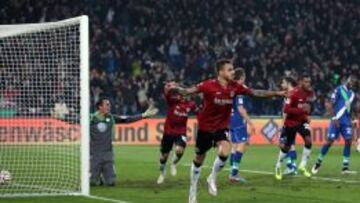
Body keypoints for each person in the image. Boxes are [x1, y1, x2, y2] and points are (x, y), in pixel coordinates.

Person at [168, 59, 285, 203]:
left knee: (225, 151)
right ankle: (193, 190)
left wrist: (277, 93)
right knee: (199, 159)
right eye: (229, 69)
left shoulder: (235, 87)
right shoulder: (207, 85)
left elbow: (255, 92)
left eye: (233, 69)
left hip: (221, 128)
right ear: (220, 72)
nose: (233, 71)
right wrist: (176, 88)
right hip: (205, 128)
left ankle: (212, 177)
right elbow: (187, 91)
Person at [90, 98, 158, 186]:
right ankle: (98, 176)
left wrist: (143, 115)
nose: (109, 106)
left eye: (109, 104)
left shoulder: (111, 117)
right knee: (92, 183)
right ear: (100, 107)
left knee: (111, 183)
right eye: (106, 104)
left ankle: (104, 175)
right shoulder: (91, 118)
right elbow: (75, 119)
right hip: (94, 153)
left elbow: (127, 119)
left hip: (108, 153)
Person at [312, 75, 357, 175]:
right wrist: (334, 118)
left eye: (354, 83)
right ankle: (318, 162)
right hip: (336, 119)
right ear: (347, 81)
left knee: (348, 141)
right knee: (329, 142)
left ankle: (345, 168)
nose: (352, 83)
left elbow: (350, 107)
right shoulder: (338, 90)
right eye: (351, 81)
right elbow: (330, 104)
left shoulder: (352, 94)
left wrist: (353, 119)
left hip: (346, 121)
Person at [157, 84, 200, 184]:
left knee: (179, 150)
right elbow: (167, 92)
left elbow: (199, 113)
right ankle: (162, 174)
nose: (185, 96)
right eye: (183, 94)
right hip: (168, 131)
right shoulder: (173, 100)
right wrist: (171, 86)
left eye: (187, 94)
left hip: (181, 131)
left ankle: (173, 163)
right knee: (164, 156)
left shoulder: (191, 104)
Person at [275, 74, 314, 180]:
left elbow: (304, 107)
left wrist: (306, 116)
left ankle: (302, 165)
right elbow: (286, 110)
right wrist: (302, 110)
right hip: (291, 123)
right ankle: (278, 166)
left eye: (309, 82)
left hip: (301, 122)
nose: (308, 84)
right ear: (301, 82)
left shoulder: (307, 93)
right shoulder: (292, 94)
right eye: (306, 82)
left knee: (308, 140)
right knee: (286, 146)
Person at [228, 68, 255, 183]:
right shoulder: (239, 92)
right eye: (244, 78)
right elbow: (241, 109)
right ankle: (234, 174)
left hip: (229, 119)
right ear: (241, 78)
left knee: (234, 146)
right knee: (242, 145)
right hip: (238, 120)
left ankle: (232, 172)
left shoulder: (230, 89)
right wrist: (250, 122)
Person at [279, 77, 298, 175]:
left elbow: (286, 112)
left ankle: (291, 166)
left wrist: (283, 125)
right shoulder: (295, 93)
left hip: (289, 123)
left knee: (283, 145)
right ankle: (293, 166)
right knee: (291, 145)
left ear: (288, 83)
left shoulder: (290, 94)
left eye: (283, 83)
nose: (281, 85)